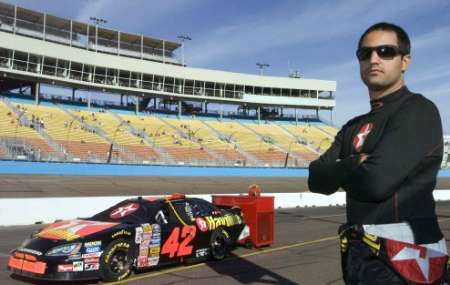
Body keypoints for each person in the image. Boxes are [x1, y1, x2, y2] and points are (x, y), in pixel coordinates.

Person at [308, 22, 448, 284]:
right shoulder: (352, 125)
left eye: (385, 51)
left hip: (409, 252)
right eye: (365, 53)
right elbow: (316, 179)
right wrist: (354, 163)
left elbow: (375, 183)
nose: (374, 59)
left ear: (404, 61)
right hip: (359, 249)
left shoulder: (419, 110)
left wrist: (339, 172)